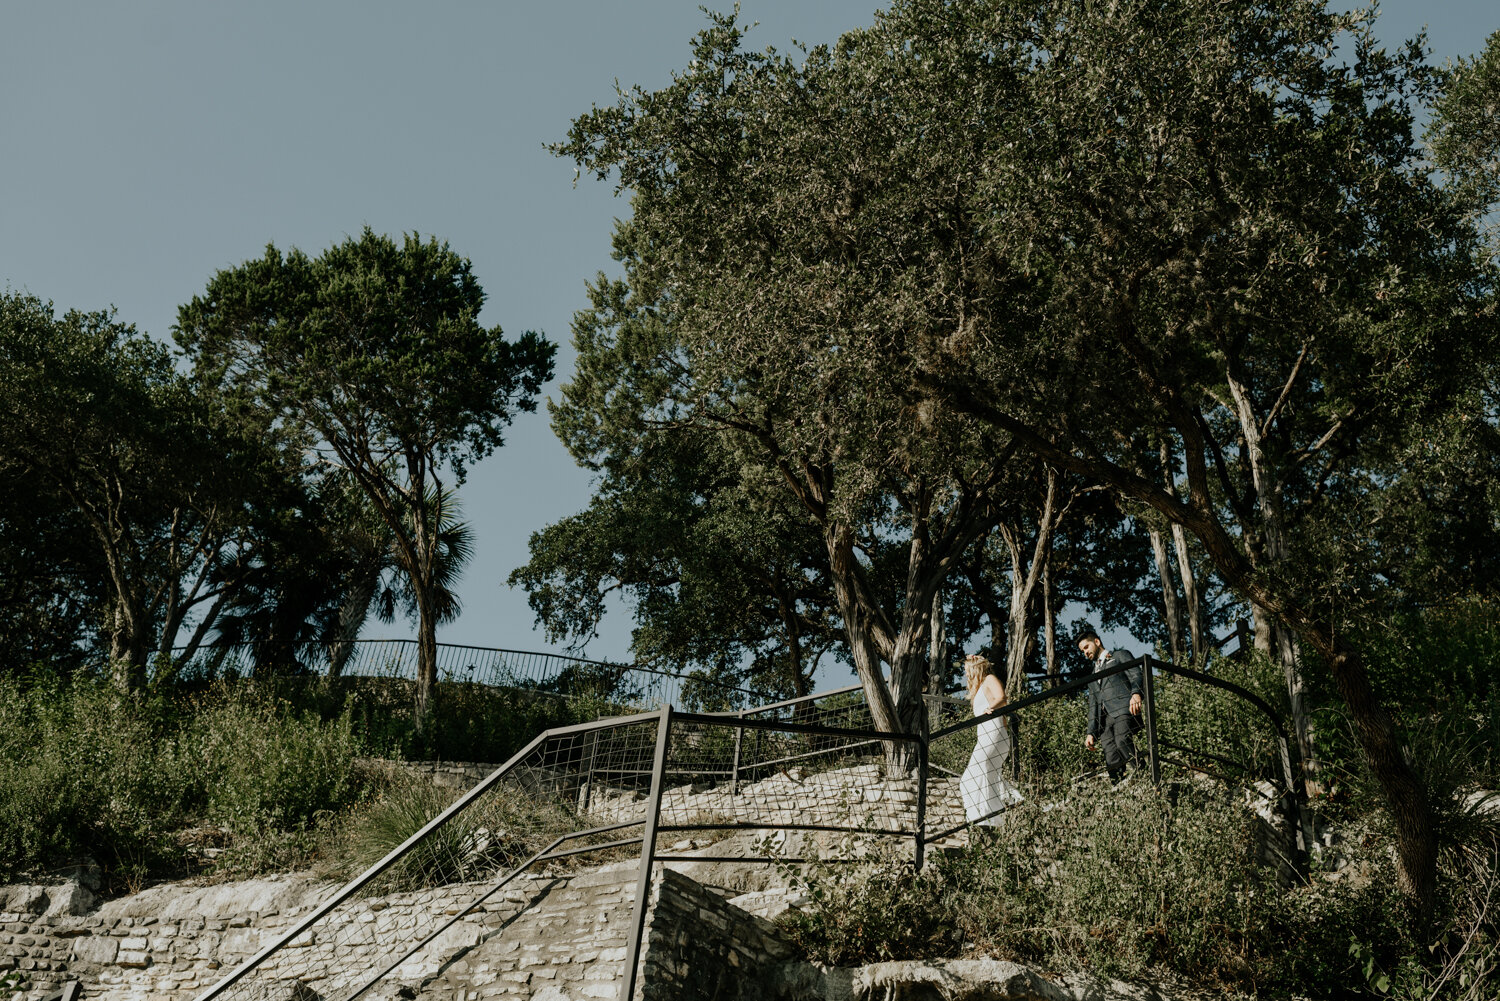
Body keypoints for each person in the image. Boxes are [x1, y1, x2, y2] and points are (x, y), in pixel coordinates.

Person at [960, 653, 1024, 825]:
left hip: (994, 733)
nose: (966, 675)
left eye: (967, 670)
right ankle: (995, 817)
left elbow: (1002, 698)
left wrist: (991, 708)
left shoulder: (989, 679)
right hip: (985, 736)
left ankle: (983, 817)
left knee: (969, 777)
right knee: (987, 774)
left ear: (975, 669)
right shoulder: (980, 687)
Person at [1078, 626, 1144, 784]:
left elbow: (1136, 674)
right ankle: (1117, 786)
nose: (1085, 652)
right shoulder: (1092, 676)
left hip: (1123, 709)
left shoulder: (1119, 655)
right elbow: (1093, 706)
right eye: (1082, 651)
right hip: (1105, 721)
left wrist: (1136, 693)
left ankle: (1144, 773)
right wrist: (1090, 732)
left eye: (1086, 647)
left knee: (1122, 740)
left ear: (1097, 641)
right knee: (1110, 755)